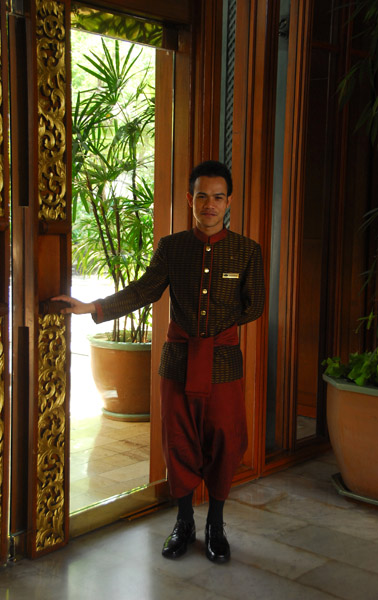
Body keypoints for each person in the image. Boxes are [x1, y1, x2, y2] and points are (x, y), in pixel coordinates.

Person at [54, 160, 265, 563]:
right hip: (177, 364)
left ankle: (215, 525)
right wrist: (92, 306)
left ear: (228, 202)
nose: (209, 204)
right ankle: (184, 523)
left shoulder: (246, 251)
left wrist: (218, 328)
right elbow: (142, 291)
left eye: (217, 197)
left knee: (225, 441)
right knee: (178, 442)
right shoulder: (172, 248)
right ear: (190, 199)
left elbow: (253, 306)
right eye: (201, 196)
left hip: (223, 364)